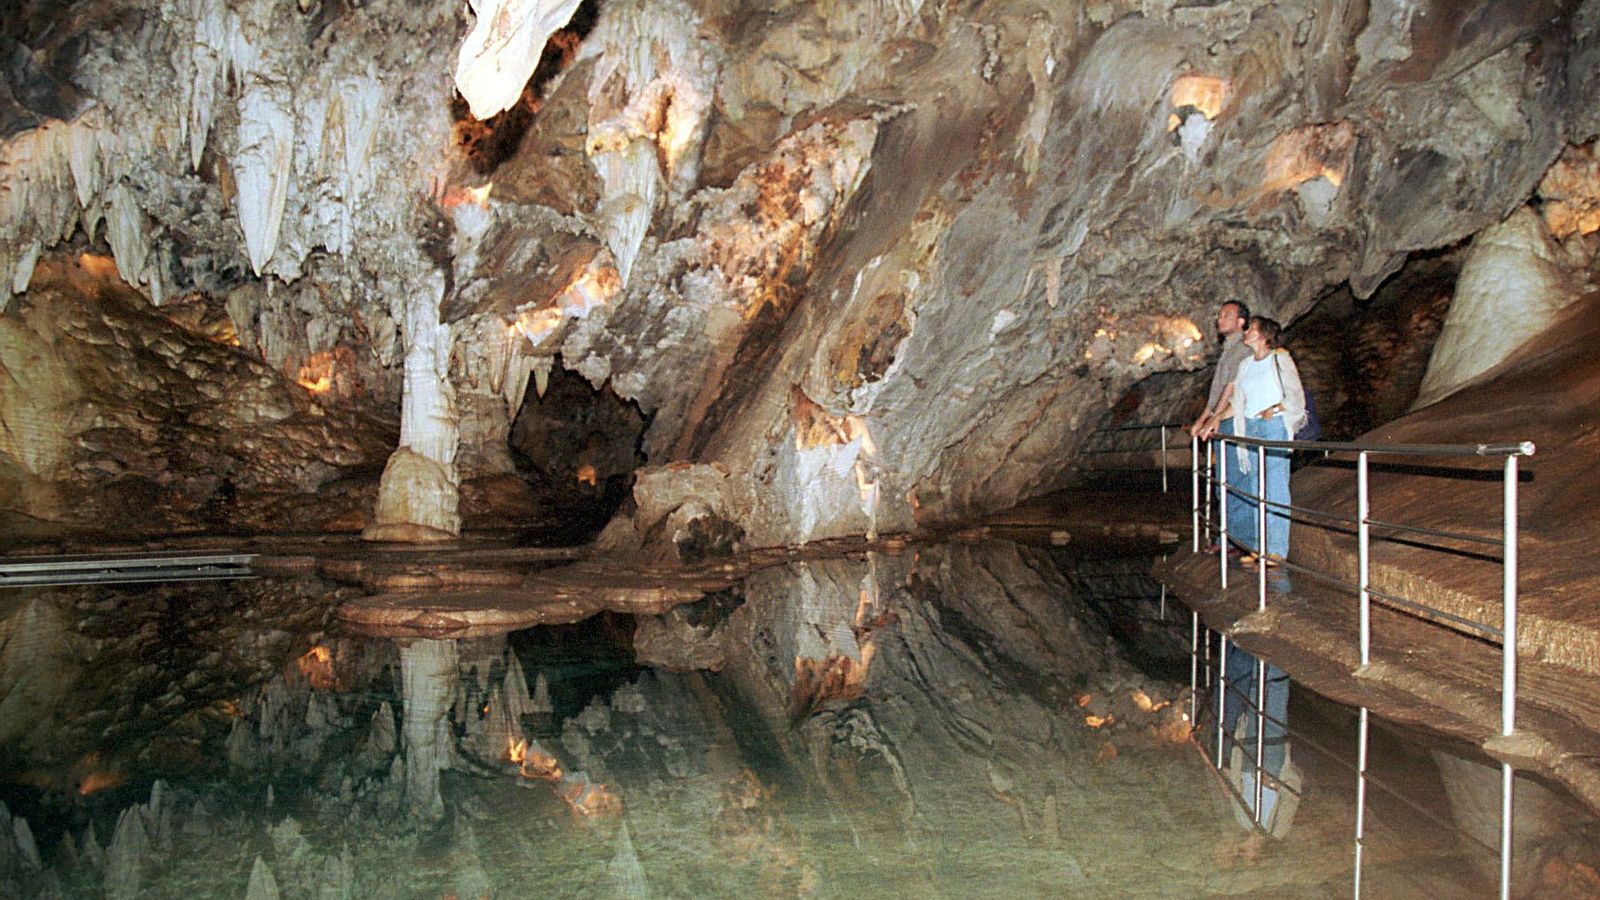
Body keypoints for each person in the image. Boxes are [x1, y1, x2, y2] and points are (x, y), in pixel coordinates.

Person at [1189, 300, 1253, 553]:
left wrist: (1212, 418)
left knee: (1234, 483)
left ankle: (1235, 540)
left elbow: (1233, 391)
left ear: (1241, 322)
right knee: (1223, 483)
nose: (1220, 318)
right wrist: (1202, 418)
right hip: (1221, 421)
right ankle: (1229, 538)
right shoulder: (1229, 351)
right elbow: (1218, 391)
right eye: (1220, 314)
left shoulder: (1243, 352)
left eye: (1226, 315)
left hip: (1232, 422)